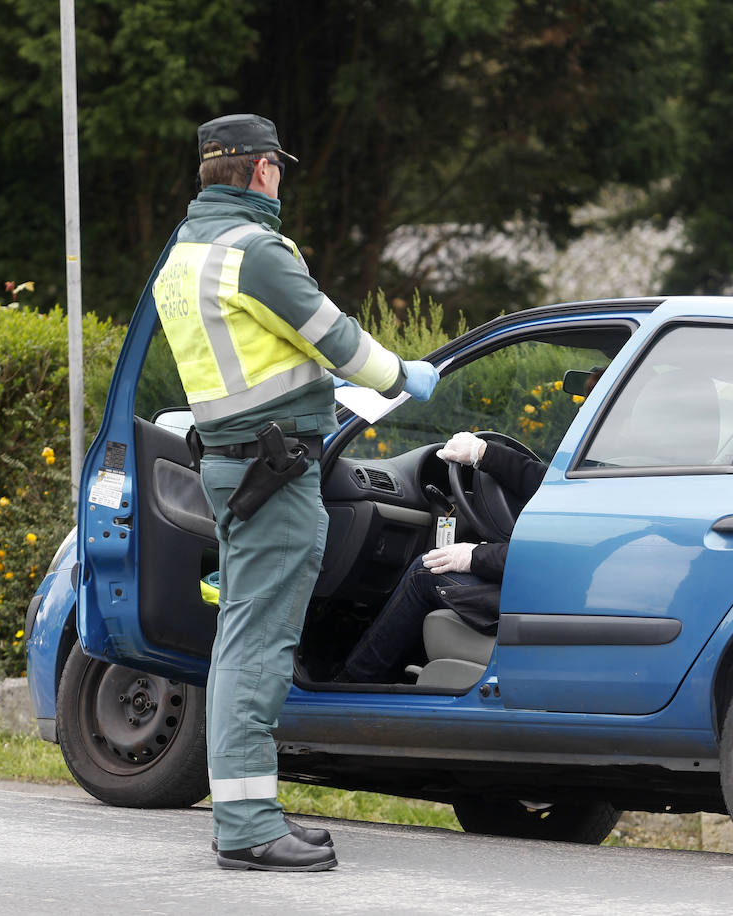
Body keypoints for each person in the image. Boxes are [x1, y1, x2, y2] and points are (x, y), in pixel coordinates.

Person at [152, 113, 438, 872]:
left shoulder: (185, 252)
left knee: (243, 636)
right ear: (259, 170)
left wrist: (318, 379)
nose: (280, 178)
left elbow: (257, 350)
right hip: (272, 472)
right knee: (260, 643)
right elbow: (335, 333)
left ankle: (242, 815)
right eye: (278, 166)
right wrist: (401, 375)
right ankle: (248, 824)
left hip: (235, 460)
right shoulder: (256, 252)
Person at [337, 430, 545, 683]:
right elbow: (549, 485)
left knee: (423, 572)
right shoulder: (597, 475)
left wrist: (475, 555)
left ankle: (353, 681)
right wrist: (484, 454)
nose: (582, 407)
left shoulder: (601, 482)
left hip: (545, 600)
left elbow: (552, 557)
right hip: (552, 595)